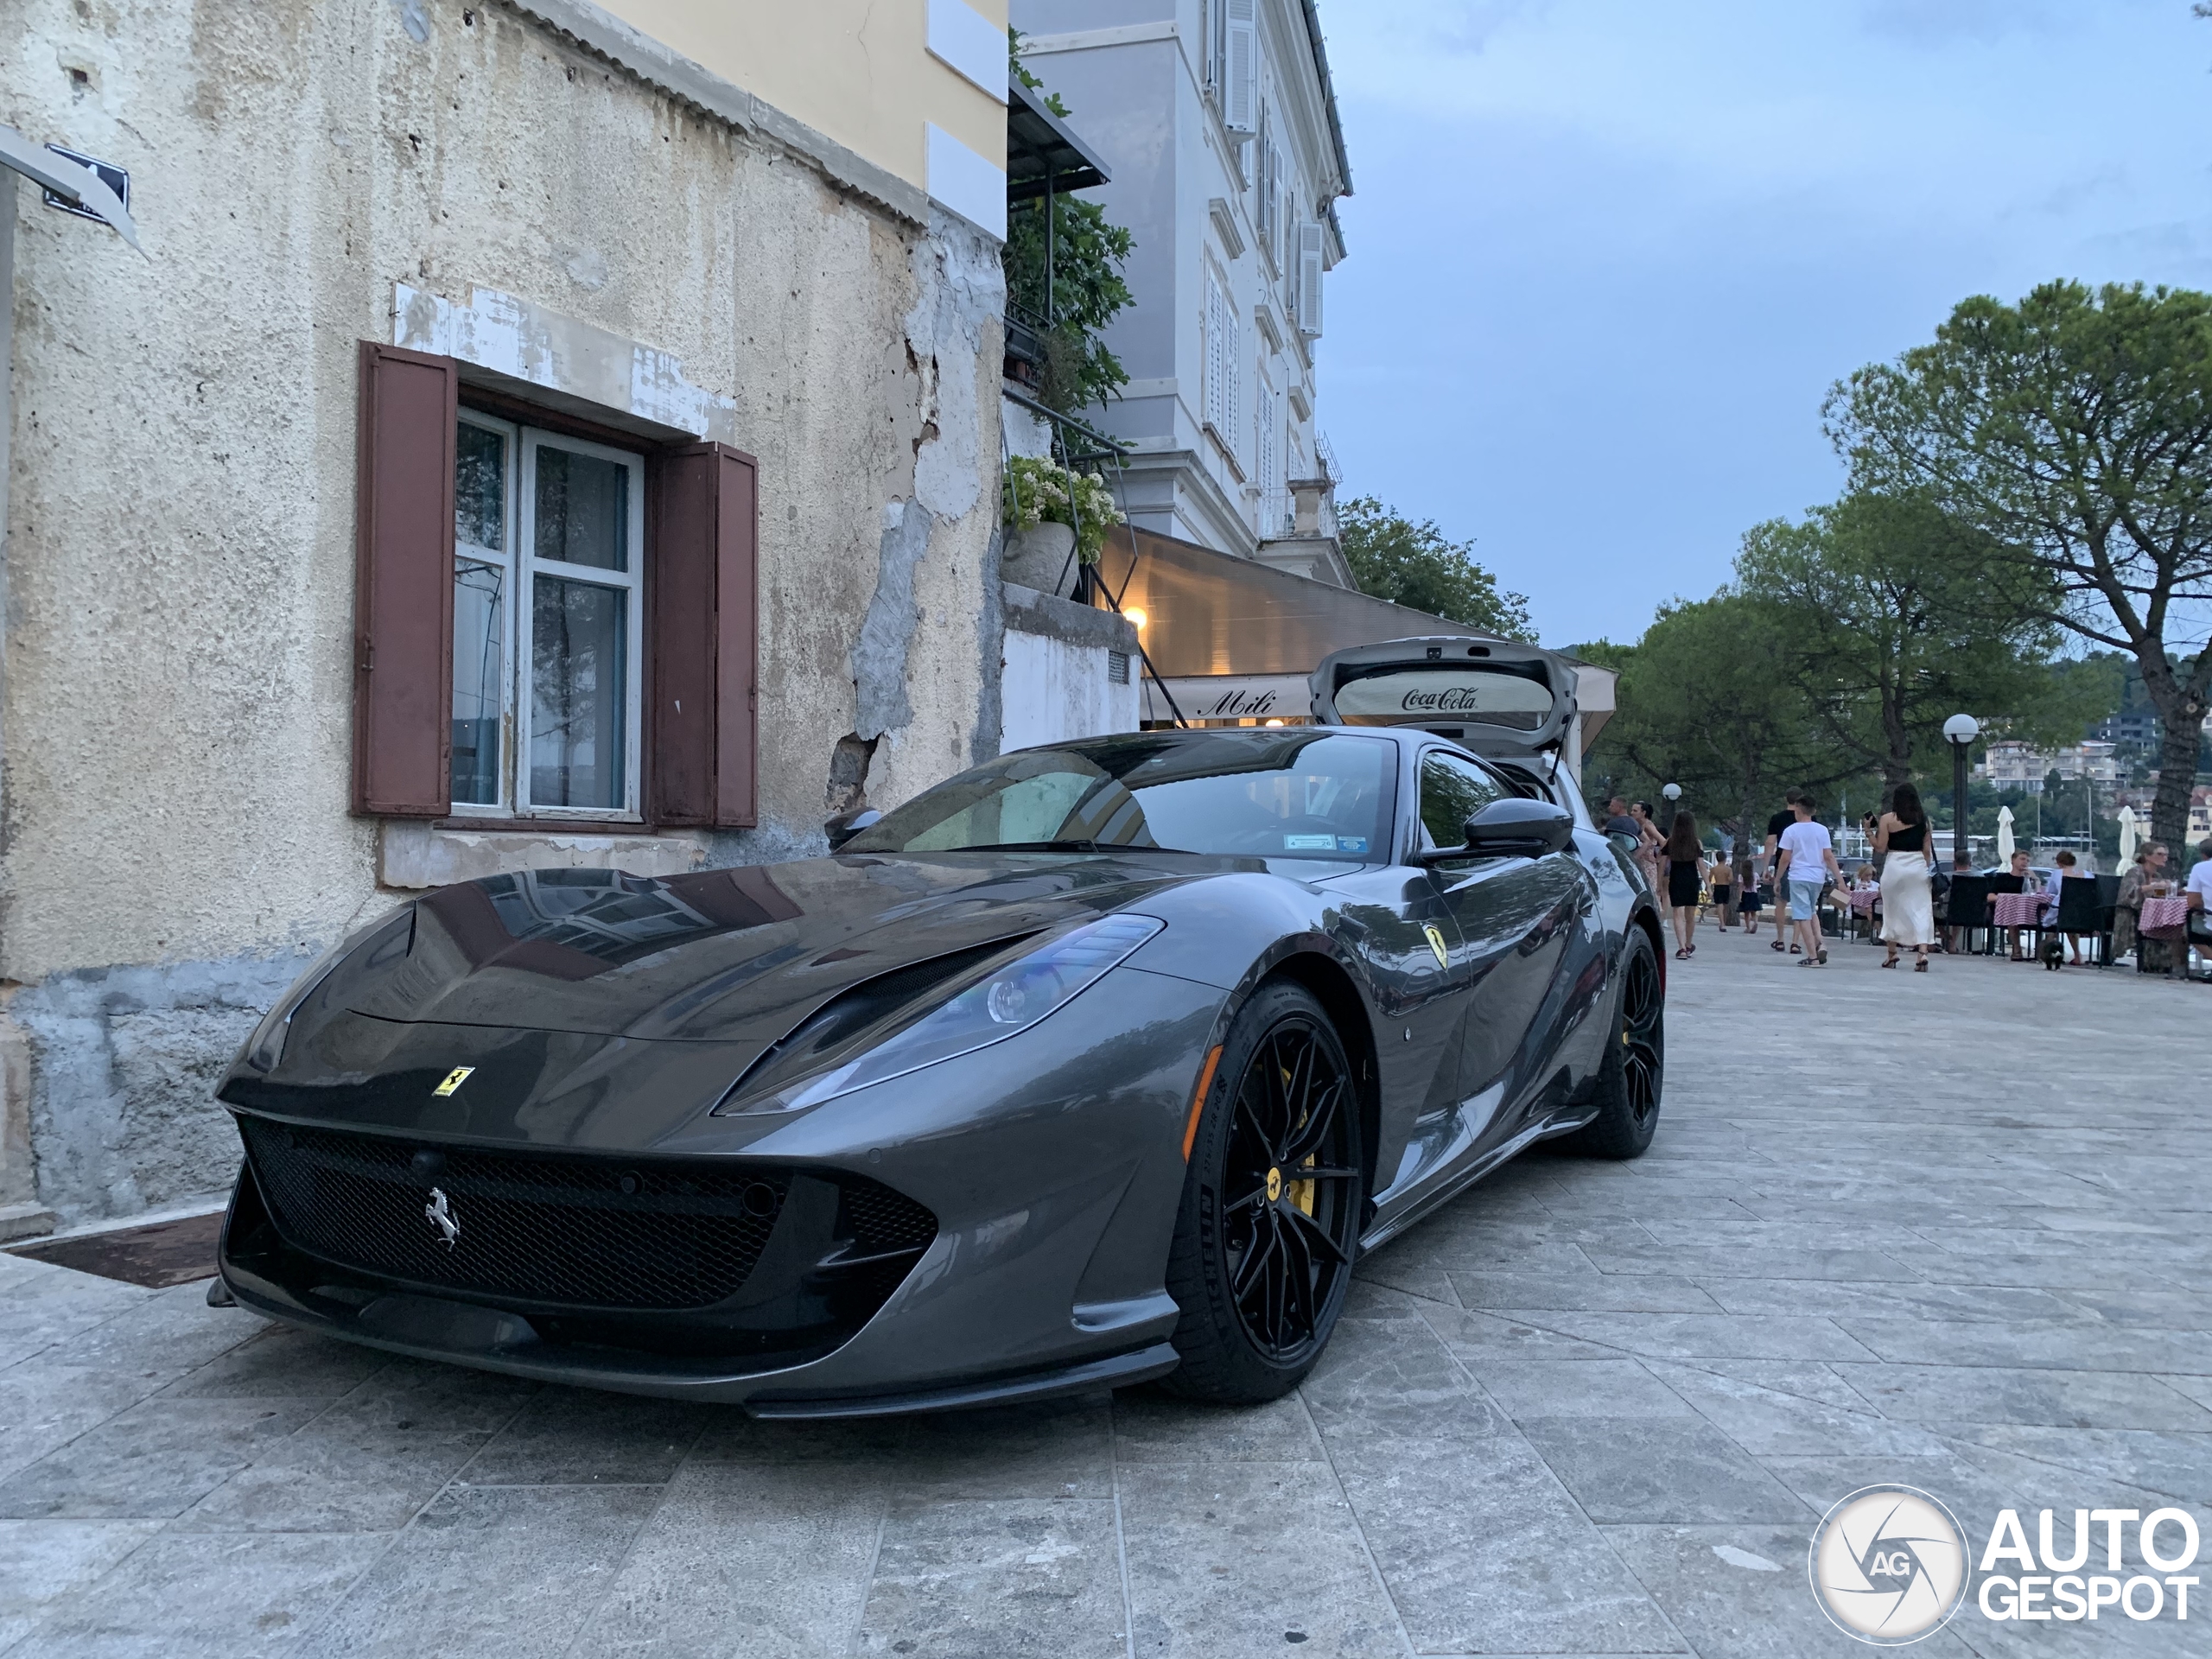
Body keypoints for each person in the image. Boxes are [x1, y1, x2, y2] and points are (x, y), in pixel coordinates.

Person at [1873, 783, 1936, 972]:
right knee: (1921, 910)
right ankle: (1922, 953)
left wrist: (1868, 831)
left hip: (1895, 864)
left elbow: (1881, 847)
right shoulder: (1924, 821)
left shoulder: (1887, 819)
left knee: (1892, 910)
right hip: (1917, 866)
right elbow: (1927, 852)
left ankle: (1892, 955)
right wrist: (1924, 869)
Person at [1775, 795, 1841, 966]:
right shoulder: (1822, 830)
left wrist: (1778, 878)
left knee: (1802, 916)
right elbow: (1828, 856)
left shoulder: (1791, 831)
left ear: (1797, 809)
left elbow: (1785, 858)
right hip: (1817, 877)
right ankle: (1820, 941)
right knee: (1811, 910)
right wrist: (1840, 880)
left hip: (1798, 876)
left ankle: (1812, 956)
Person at [1763, 790, 1806, 953]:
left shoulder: (1777, 818)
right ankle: (1796, 942)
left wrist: (1766, 867)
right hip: (1803, 865)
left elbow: (1770, 842)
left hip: (1783, 865)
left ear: (1785, 799)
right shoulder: (1808, 819)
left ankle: (1780, 939)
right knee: (1800, 905)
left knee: (1780, 902)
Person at [2114, 842, 2169, 969]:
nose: (2164, 858)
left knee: (2170, 924)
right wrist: (2153, 887)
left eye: (2166, 855)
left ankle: (2159, 962)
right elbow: (2129, 893)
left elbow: (2158, 896)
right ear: (2147, 856)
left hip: (2150, 913)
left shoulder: (2157, 876)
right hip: (2131, 913)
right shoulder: (2134, 872)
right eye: (2160, 854)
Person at [1662, 811, 1702, 957]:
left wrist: (1660, 880)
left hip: (1676, 878)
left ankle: (1681, 948)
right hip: (1692, 879)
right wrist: (1709, 886)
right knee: (1690, 915)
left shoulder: (1671, 842)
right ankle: (1688, 944)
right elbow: (1701, 865)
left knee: (1677, 914)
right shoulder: (1696, 843)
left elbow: (1663, 862)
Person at [2044, 849, 2086, 965]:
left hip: (2062, 912)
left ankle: (2048, 953)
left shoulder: (2057, 873)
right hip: (2084, 915)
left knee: (2052, 923)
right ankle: (2077, 955)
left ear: (2059, 863)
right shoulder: (2087, 873)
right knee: (2069, 923)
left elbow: (2050, 893)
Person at [1630, 801, 1664, 890]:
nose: (1632, 813)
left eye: (1635, 811)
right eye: (1632, 810)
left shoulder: (1648, 825)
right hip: (1638, 863)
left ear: (1643, 813)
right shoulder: (1637, 825)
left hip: (1647, 865)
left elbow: (1663, 841)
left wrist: (1658, 859)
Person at [1706, 850, 1735, 928]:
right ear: (1725, 859)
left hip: (1717, 886)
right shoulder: (1728, 869)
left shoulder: (1713, 869)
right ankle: (1723, 922)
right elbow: (1731, 879)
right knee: (1725, 905)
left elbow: (1709, 879)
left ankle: (1722, 922)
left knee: (1719, 905)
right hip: (1726, 886)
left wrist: (1708, 888)